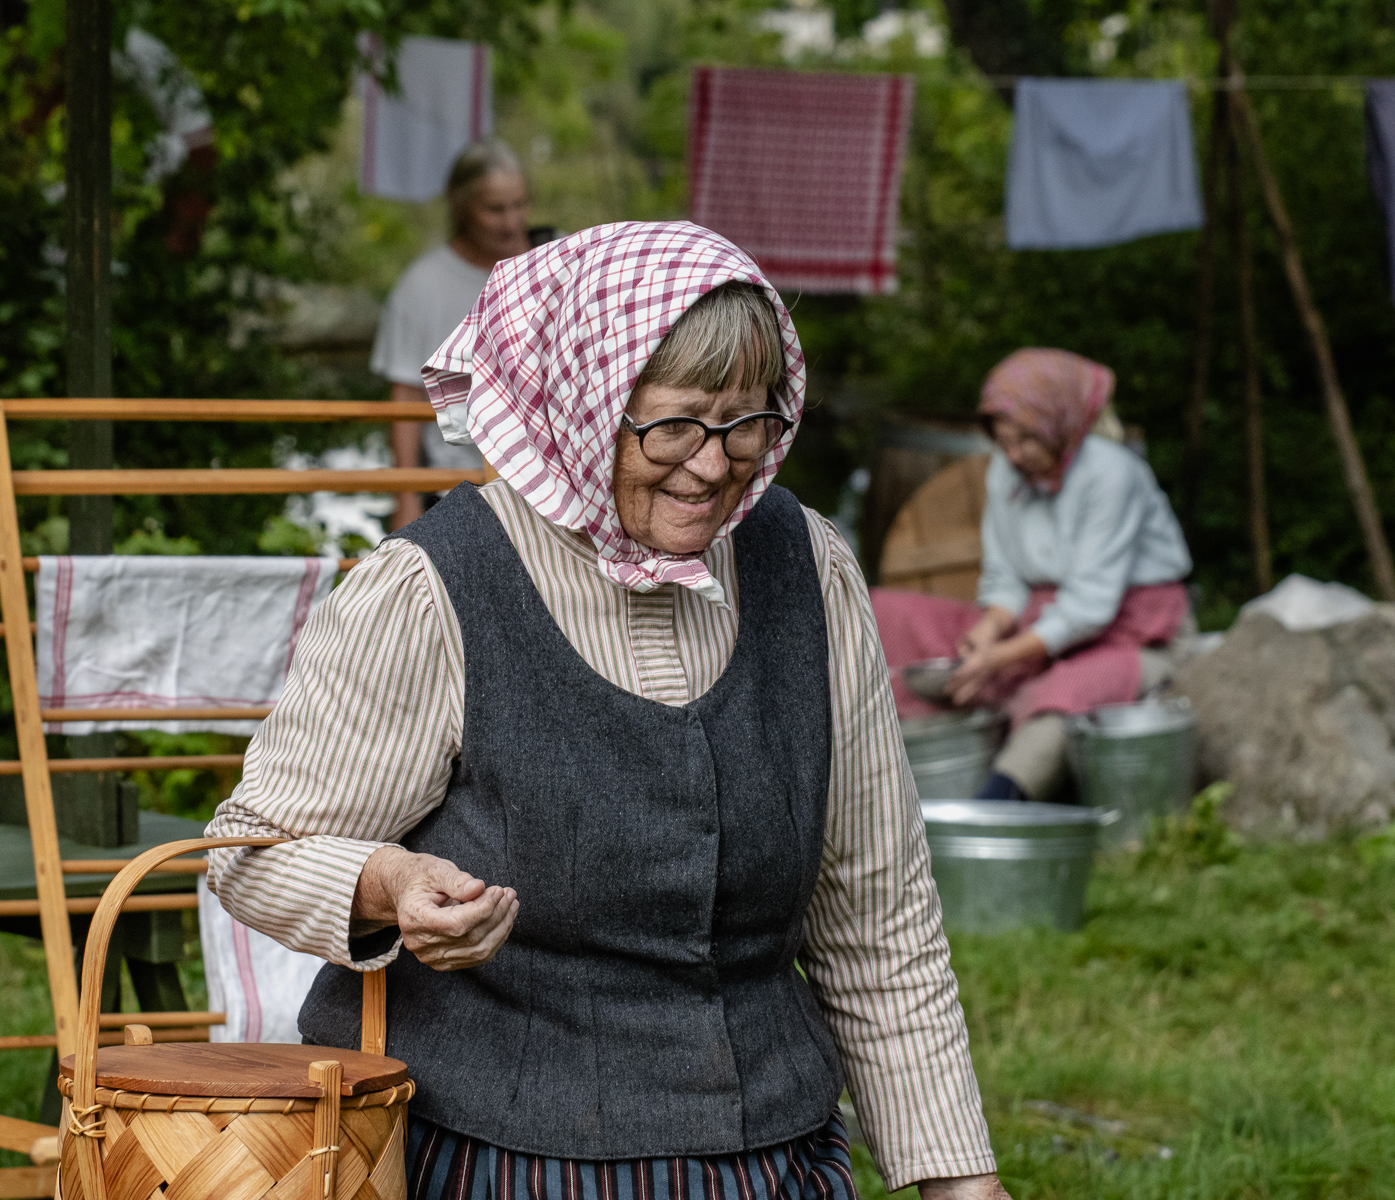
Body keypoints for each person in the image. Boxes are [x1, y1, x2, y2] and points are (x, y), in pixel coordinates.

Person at [208, 222, 1006, 1200]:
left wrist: (959, 1181)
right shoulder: (435, 591)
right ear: (586, 406)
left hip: (774, 1162)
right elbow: (255, 850)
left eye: (746, 423)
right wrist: (388, 881)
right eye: (673, 425)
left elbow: (880, 920)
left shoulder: (809, 568)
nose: (713, 468)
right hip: (501, 1158)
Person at [872, 348, 1194, 801]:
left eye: (1027, 440)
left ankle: (996, 805)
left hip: (1135, 633)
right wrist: (988, 631)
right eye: (1003, 441)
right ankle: (878, 777)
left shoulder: (1112, 476)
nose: (1014, 454)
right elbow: (1007, 578)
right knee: (892, 613)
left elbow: (1089, 608)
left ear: (1059, 428)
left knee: (1065, 689)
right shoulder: (1007, 472)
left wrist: (999, 658)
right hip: (1040, 623)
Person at [372, 139, 531, 529]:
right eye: (495, 209)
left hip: (551, 484)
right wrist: (406, 496)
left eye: (519, 205)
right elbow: (405, 399)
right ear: (461, 207)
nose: (511, 223)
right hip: (459, 489)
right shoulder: (422, 287)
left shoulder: (550, 263)